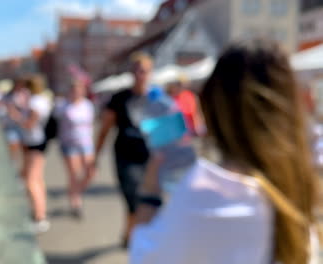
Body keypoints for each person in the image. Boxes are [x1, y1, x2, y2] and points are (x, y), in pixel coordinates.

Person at [130, 39, 320, 264]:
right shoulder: (301, 189)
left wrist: (150, 192)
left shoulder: (206, 192)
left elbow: (144, 257)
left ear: (212, 106)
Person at [95, 52, 152, 248]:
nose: (140, 74)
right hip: (125, 156)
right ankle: (135, 237)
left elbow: (168, 130)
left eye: (143, 71)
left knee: (148, 200)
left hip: (150, 157)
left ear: (150, 73)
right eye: (136, 70)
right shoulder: (120, 98)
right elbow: (105, 129)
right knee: (133, 197)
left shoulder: (156, 98)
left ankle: (129, 234)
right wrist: (95, 156)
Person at [9, 74, 52, 233]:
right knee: (37, 179)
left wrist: (15, 115)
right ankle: (39, 211)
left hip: (34, 142)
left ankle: (40, 217)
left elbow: (29, 124)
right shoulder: (42, 100)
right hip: (37, 142)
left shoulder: (35, 102)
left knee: (31, 181)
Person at [54, 78, 96, 218]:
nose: (77, 92)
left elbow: (91, 125)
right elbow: (54, 121)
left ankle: (76, 191)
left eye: (80, 90)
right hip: (69, 143)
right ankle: (76, 202)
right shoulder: (63, 105)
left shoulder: (88, 105)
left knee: (90, 172)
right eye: (74, 90)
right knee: (74, 174)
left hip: (86, 143)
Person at [0, 78, 30, 159]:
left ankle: (25, 167)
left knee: (26, 148)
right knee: (13, 145)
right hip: (11, 124)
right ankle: (11, 162)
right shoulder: (8, 95)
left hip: (23, 124)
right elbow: (9, 109)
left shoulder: (25, 94)